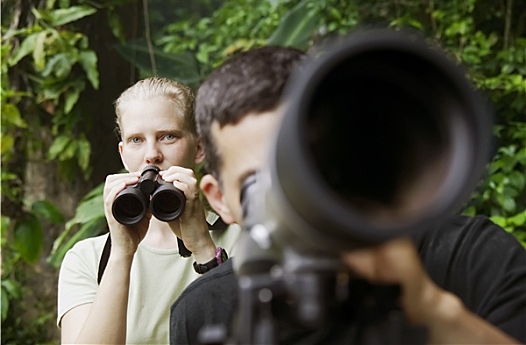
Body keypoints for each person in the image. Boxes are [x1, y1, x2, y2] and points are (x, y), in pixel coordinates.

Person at [169, 46, 526, 344]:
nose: (299, 201)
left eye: (310, 167)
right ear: (220, 198)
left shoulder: (469, 257)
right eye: (264, 183)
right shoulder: (204, 311)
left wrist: (429, 307)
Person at [57, 77, 241, 344]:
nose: (151, 155)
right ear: (123, 154)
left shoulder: (241, 242)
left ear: (199, 148)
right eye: (136, 140)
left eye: (168, 136)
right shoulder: (88, 258)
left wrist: (204, 248)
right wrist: (121, 253)